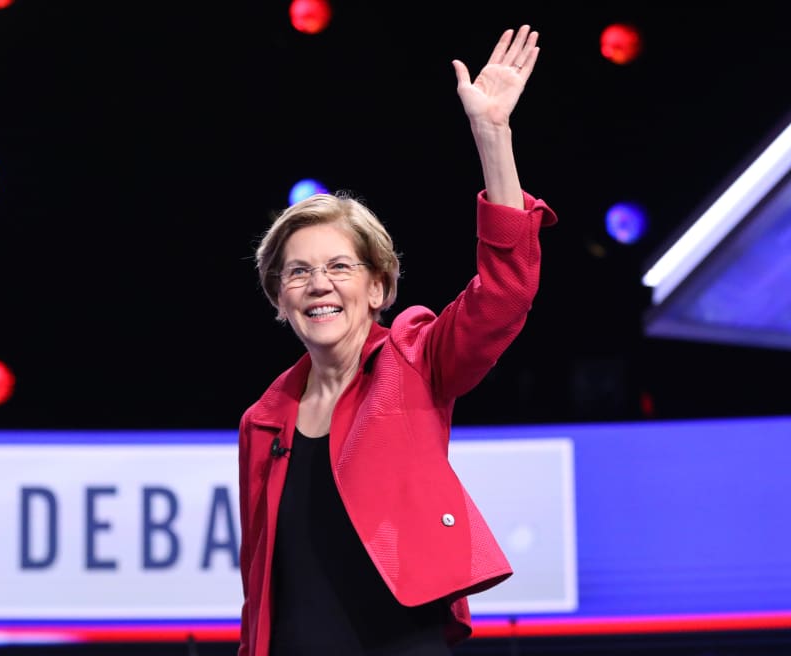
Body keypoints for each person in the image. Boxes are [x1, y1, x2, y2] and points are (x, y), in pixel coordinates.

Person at [237, 24, 558, 656]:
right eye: (298, 271)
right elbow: (259, 584)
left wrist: (493, 136)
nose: (318, 284)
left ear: (379, 287)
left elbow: (504, 294)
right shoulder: (262, 422)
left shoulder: (413, 359)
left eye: (338, 267)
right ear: (279, 298)